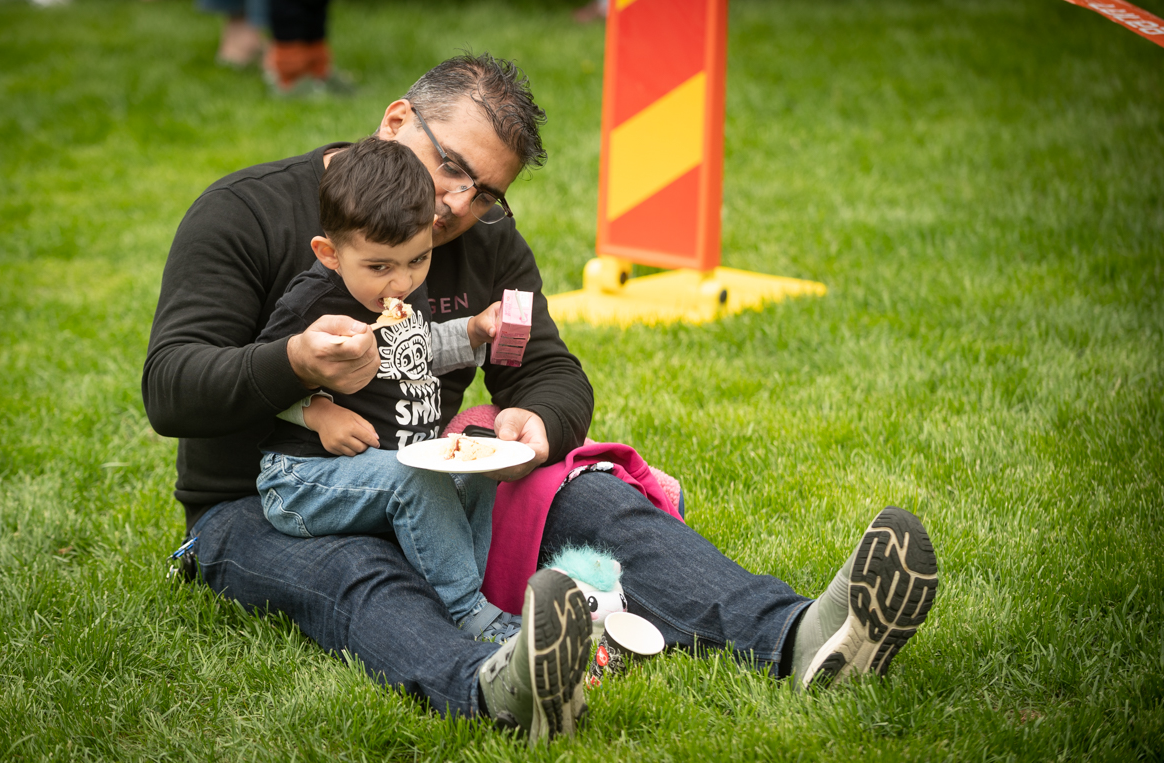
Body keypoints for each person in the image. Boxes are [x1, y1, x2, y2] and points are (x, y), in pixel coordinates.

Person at [143, 52, 938, 743]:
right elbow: (170, 387)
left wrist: (537, 425)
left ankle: (801, 639)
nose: (456, 204)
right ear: (395, 121)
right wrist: (295, 365)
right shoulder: (246, 213)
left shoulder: (485, 239)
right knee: (361, 570)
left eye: (484, 191)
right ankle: (497, 686)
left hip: (425, 477)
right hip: (262, 498)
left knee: (585, 496)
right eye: (451, 166)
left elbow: (548, 367)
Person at [254, 136, 517, 641]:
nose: (400, 282)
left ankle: (475, 594)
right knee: (413, 478)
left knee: (483, 461)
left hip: (386, 470)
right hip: (302, 479)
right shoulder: (311, 304)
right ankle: (469, 614)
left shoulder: (396, 292)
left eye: (417, 261)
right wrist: (315, 412)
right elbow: (263, 378)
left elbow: (412, 350)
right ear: (330, 254)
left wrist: (471, 332)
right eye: (380, 267)